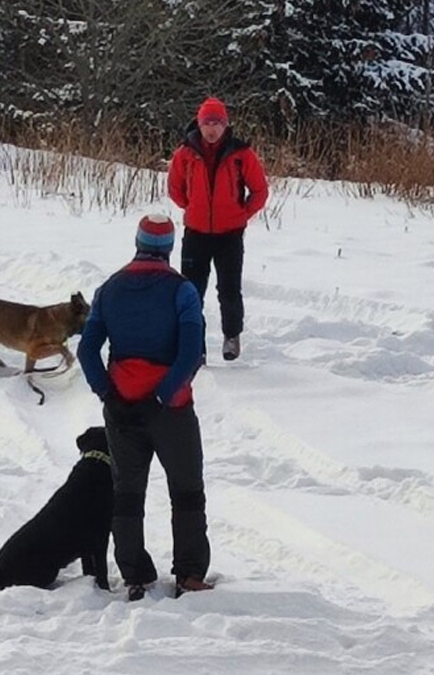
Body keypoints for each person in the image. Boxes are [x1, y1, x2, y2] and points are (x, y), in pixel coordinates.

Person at [77, 213, 212, 601]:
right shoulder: (182, 291)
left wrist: (107, 393)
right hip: (171, 409)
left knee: (127, 491)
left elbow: (87, 349)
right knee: (186, 491)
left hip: (121, 408)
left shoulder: (109, 289)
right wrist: (164, 394)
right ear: (169, 247)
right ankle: (189, 574)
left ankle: (136, 574)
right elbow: (190, 352)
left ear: (136, 242)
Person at [167, 96, 269, 361]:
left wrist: (241, 213)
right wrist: (191, 208)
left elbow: (260, 190)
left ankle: (231, 336)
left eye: (217, 123)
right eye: (206, 123)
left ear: (225, 125)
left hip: (229, 235)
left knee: (229, 289)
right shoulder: (185, 153)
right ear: (199, 125)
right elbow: (175, 189)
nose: (211, 128)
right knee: (191, 292)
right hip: (196, 233)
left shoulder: (241, 153)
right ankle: (194, 346)